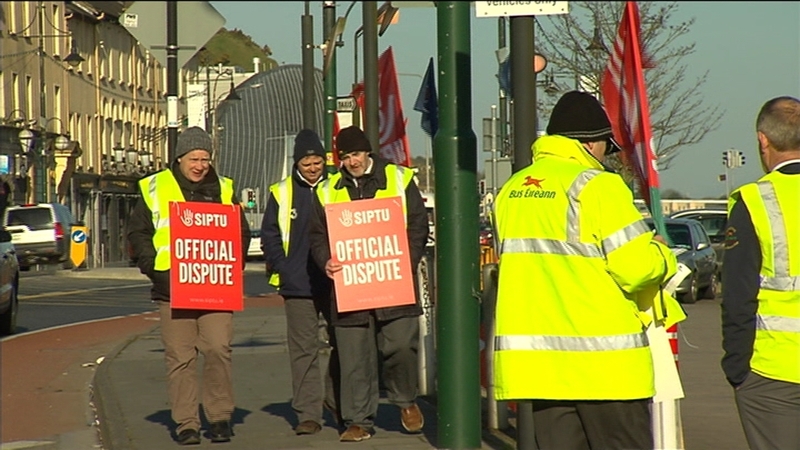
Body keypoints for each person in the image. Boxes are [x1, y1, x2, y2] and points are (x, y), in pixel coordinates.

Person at [492, 91, 678, 450]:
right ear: (592, 144)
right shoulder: (599, 187)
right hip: (606, 369)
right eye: (605, 148)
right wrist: (663, 254)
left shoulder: (511, 190)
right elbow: (636, 269)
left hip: (538, 370)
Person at [128, 126, 250, 445]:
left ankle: (220, 417)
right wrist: (154, 269)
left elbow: (241, 232)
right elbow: (138, 233)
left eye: (205, 159)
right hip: (171, 289)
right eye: (194, 158)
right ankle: (187, 423)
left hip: (215, 289)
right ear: (179, 158)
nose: (200, 165)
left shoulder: (224, 188)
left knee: (218, 349)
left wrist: (232, 268)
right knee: (180, 357)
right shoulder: (154, 186)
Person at [308, 126, 429, 442]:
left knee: (401, 345)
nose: (352, 162)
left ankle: (406, 401)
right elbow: (317, 235)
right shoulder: (327, 189)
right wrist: (325, 262)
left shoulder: (399, 179)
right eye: (345, 157)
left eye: (356, 154)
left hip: (394, 281)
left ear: (368, 153)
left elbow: (418, 224)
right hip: (350, 286)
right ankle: (358, 420)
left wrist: (407, 258)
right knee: (354, 357)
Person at [721, 96, 800, 450]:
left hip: (775, 372)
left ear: (762, 140)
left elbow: (738, 295)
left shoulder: (755, 201)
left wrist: (738, 370)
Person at [260, 129, 339, 435]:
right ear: (297, 163)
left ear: (324, 161)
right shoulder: (280, 192)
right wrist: (283, 267)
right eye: (306, 162)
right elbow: (270, 236)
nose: (312, 167)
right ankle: (309, 413)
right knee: (303, 351)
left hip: (336, 282)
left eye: (317, 161)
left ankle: (337, 403)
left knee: (341, 347)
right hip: (298, 286)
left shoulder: (337, 187)